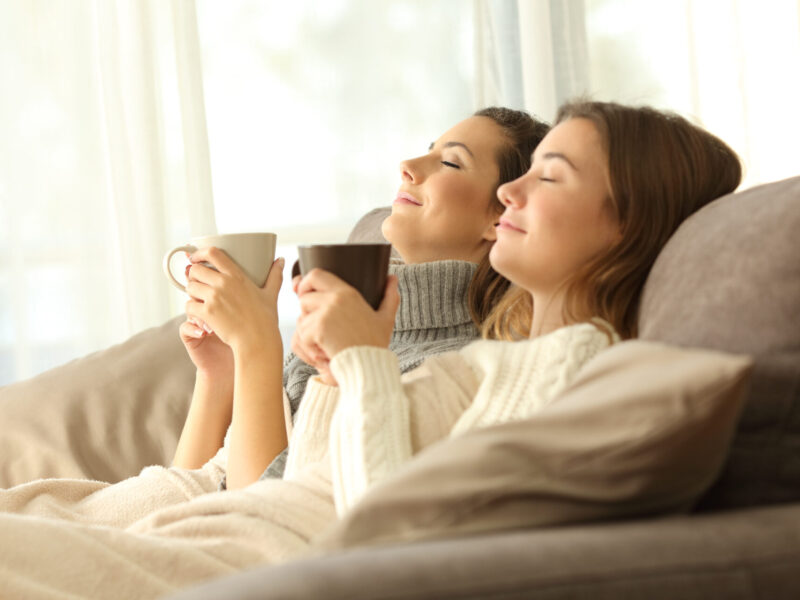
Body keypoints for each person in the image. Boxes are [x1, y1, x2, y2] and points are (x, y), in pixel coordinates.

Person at [0, 100, 741, 599]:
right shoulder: (495, 359)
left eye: (547, 176)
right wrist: (320, 367)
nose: (513, 193)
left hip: (259, 551)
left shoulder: (577, 367)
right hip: (222, 527)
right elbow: (303, 477)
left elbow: (385, 539)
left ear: (627, 224)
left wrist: (354, 362)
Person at [173, 106, 549, 488]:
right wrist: (219, 374)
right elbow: (191, 490)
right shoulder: (336, 333)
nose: (407, 165)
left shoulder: (452, 369)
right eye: (428, 150)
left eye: (450, 163)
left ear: (502, 217)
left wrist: (256, 343)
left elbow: (266, 520)